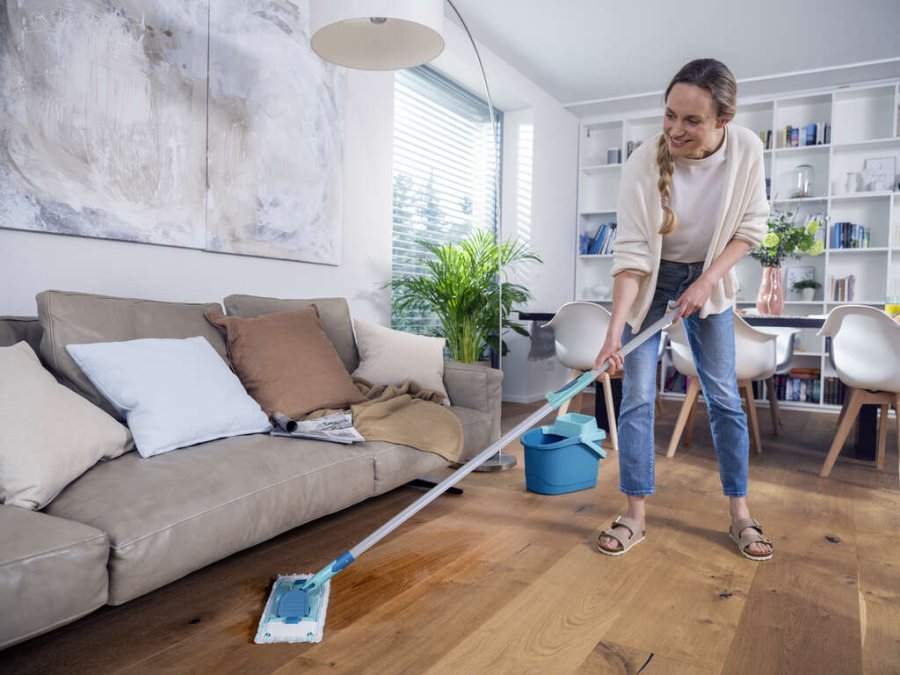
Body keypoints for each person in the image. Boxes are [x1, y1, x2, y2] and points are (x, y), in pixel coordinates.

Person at [593, 58, 773, 561]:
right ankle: (635, 514)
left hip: (711, 275)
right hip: (655, 280)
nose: (675, 129)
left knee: (722, 396)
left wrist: (707, 281)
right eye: (669, 115)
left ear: (724, 119)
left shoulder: (747, 151)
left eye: (692, 121)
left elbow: (751, 229)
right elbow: (630, 257)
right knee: (637, 396)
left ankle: (741, 514)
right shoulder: (642, 162)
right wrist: (614, 335)